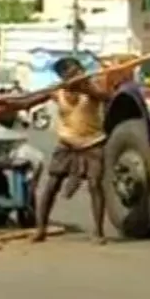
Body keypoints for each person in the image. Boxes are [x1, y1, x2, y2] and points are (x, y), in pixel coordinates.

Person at [32, 56, 112, 243]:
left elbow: (104, 96)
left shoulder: (92, 87)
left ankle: (98, 232)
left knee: (95, 185)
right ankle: (40, 229)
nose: (78, 74)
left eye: (78, 70)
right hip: (66, 144)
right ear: (63, 76)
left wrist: (84, 87)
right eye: (71, 72)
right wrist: (8, 103)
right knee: (51, 186)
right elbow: (30, 100)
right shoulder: (58, 90)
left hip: (93, 143)